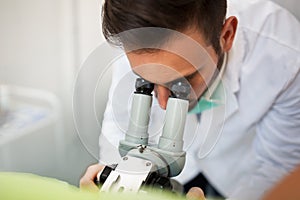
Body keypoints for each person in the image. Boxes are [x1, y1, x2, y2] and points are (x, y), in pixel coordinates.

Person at [80, 0, 300, 199]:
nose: (163, 103)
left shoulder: (286, 58)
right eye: (147, 81)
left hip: (242, 173)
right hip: (176, 174)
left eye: (183, 80)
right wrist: (114, 182)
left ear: (226, 36)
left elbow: (277, 168)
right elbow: (118, 124)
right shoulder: (138, 36)